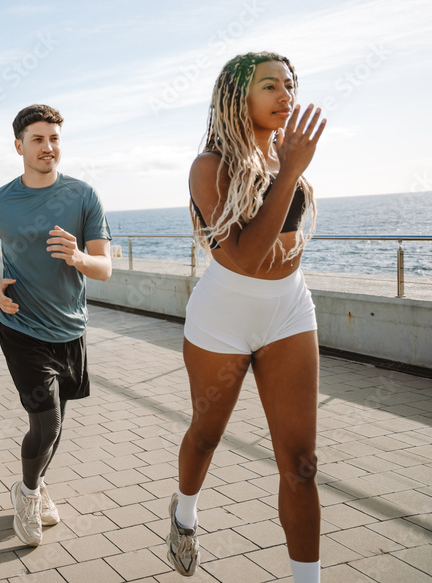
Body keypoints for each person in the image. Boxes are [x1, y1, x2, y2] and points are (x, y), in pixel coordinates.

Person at [168, 52, 326, 581]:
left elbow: (283, 246)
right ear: (239, 98)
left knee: (302, 466)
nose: (286, 94)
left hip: (288, 310)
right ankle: (184, 514)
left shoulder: (287, 157)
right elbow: (242, 257)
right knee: (207, 435)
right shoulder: (209, 166)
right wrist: (289, 172)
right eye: (270, 86)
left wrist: (289, 168)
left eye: (290, 84)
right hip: (223, 315)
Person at [0, 104, 112, 547]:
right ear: (19, 146)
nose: (48, 147)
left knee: (56, 424)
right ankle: (28, 494)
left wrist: (78, 257)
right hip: (20, 328)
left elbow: (104, 268)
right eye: (37, 139)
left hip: (71, 330)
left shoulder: (84, 196)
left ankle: (35, 485)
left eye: (54, 138)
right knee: (47, 423)